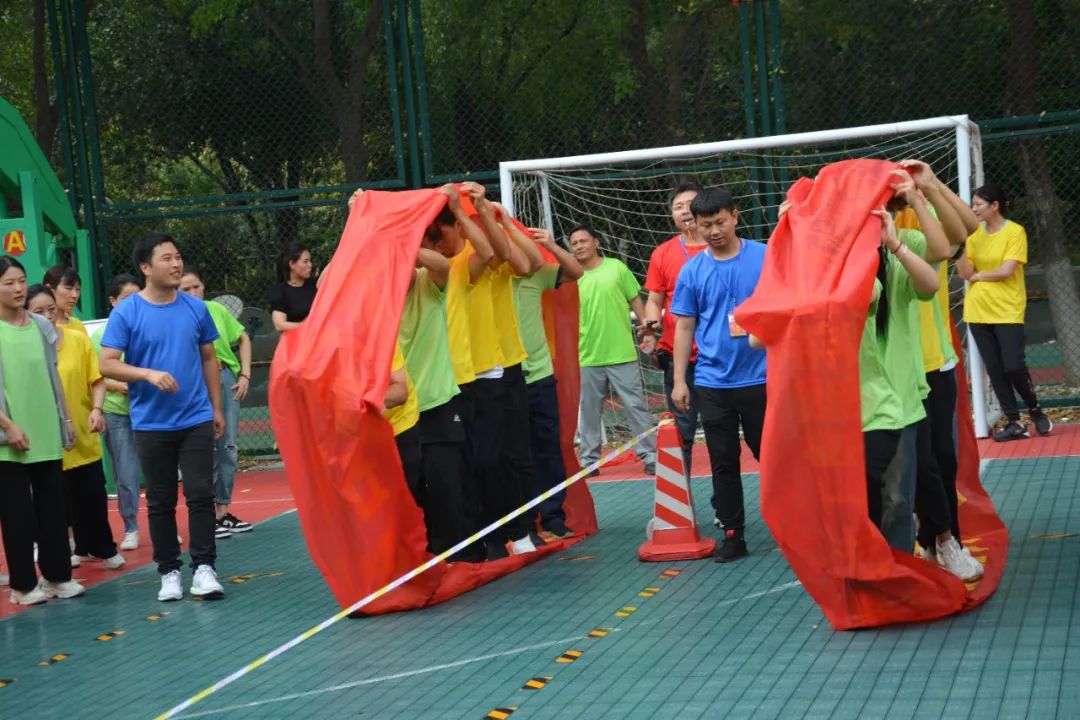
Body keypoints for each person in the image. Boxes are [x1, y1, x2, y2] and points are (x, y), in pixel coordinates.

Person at [100, 232, 226, 602]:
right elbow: (107, 364)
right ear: (145, 267)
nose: (176, 264)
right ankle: (169, 571)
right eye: (166, 258)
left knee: (201, 494)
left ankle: (204, 569)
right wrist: (147, 374)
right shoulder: (127, 312)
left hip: (196, 417)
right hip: (151, 423)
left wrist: (216, 408)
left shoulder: (195, 308)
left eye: (178, 257)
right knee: (160, 500)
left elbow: (209, 357)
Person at [669, 187, 766, 562]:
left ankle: (794, 525)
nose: (713, 231)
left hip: (762, 377)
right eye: (705, 224)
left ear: (735, 217)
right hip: (712, 382)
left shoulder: (765, 256)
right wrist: (680, 380)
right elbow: (684, 326)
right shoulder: (692, 270)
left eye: (720, 222)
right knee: (723, 461)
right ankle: (733, 534)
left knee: (772, 456)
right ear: (694, 224)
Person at [0, 256, 84, 605]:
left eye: (21, 280)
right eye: (9, 283)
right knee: (17, 516)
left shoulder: (40, 326)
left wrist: (66, 421)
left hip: (46, 432)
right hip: (8, 441)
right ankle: (22, 587)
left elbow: (53, 377)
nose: (18, 288)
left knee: (53, 511)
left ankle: (58, 578)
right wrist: (8, 426)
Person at [26, 285, 125, 572]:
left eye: (50, 309)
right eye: (38, 311)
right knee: (55, 502)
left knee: (93, 495)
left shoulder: (77, 339)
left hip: (82, 431)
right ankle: (62, 549)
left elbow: (96, 379)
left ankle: (103, 548)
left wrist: (97, 409)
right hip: (47, 438)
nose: (47, 315)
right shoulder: (25, 348)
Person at [399, 234, 475, 560]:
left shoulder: (426, 284)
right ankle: (426, 559)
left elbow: (442, 265)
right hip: (399, 411)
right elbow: (327, 282)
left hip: (438, 403)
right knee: (411, 491)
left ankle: (460, 558)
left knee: (446, 488)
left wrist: (400, 244)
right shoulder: (376, 297)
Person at [957, 182, 1052, 441]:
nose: (974, 209)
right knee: (995, 369)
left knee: (1013, 366)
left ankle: (1035, 410)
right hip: (977, 311)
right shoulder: (973, 236)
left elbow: (1007, 270)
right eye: (973, 204)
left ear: (995, 206)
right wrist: (959, 245)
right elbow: (965, 273)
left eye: (979, 204)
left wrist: (980, 276)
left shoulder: (1015, 232)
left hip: (1007, 310)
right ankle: (1014, 422)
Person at [513, 226, 584, 541]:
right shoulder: (490, 276)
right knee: (517, 454)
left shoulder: (536, 274)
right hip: (505, 379)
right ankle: (525, 523)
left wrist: (551, 246)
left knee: (549, 449)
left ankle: (554, 517)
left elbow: (575, 272)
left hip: (540, 375)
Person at [570, 225, 656, 477]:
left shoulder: (617, 267)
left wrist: (647, 331)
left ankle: (650, 456)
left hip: (621, 353)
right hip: (586, 355)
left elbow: (636, 300)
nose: (579, 246)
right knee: (589, 412)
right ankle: (589, 460)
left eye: (583, 240)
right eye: (574, 243)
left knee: (635, 406)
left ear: (596, 242)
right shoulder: (570, 276)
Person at [179, 268, 254, 538]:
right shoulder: (174, 315)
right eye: (186, 289)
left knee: (228, 446)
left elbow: (243, 337)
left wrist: (244, 374)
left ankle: (222, 511)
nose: (193, 293)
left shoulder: (216, 310)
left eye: (196, 286)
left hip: (224, 379)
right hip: (193, 382)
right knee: (203, 446)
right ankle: (206, 514)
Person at [642, 183, 706, 472]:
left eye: (690, 204)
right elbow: (654, 299)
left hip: (720, 356)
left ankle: (726, 499)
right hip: (678, 359)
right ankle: (682, 498)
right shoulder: (663, 253)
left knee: (722, 431)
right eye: (678, 207)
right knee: (682, 433)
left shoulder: (723, 246)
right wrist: (651, 325)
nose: (685, 211)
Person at [90, 274, 144, 550]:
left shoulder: (147, 327)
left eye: (137, 296)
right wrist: (121, 385)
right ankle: (131, 527)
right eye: (126, 298)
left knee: (158, 470)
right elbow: (96, 374)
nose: (133, 303)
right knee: (125, 471)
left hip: (148, 409)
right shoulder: (101, 335)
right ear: (113, 301)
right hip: (116, 411)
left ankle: (164, 523)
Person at [269, 242, 317, 332]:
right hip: (296, 339)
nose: (310, 265)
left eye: (310, 261)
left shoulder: (316, 285)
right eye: (305, 261)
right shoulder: (280, 291)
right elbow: (280, 325)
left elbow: (332, 268)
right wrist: (309, 327)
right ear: (292, 264)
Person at [43, 264, 88, 335]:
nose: (75, 295)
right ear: (49, 289)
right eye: (68, 288)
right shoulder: (40, 327)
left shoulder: (78, 325)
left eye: (77, 289)